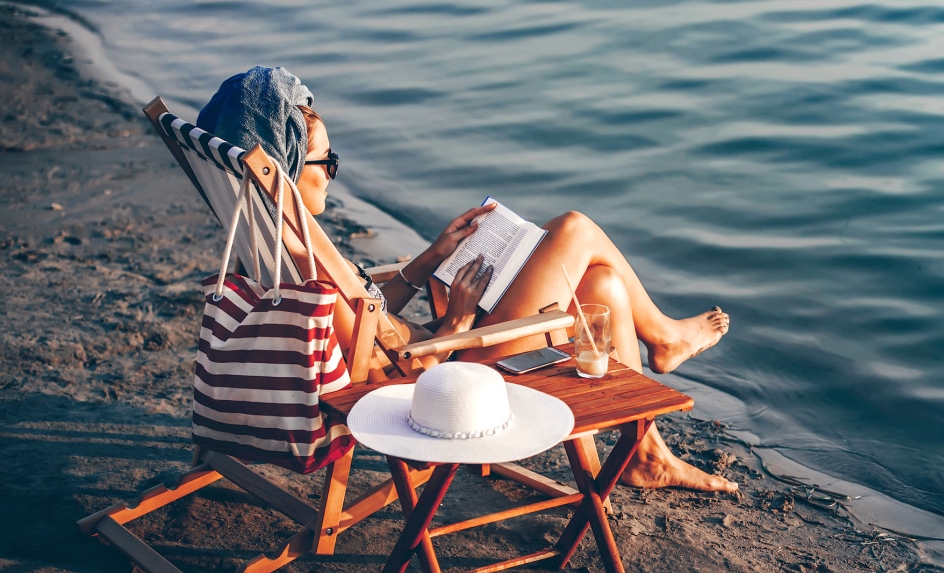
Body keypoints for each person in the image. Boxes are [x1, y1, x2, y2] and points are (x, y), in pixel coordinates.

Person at [199, 66, 735, 492]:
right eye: (326, 160)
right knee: (574, 229)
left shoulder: (276, 236)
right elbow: (384, 354)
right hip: (441, 375)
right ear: (289, 163)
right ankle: (664, 338)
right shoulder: (306, 254)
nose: (334, 171)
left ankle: (644, 456)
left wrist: (434, 256)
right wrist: (456, 317)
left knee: (602, 289)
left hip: (426, 354)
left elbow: (364, 317)